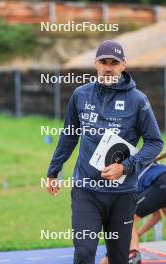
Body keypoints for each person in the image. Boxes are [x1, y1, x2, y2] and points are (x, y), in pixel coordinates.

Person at [46, 40, 163, 264]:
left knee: (119, 257)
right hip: (86, 190)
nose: (108, 67)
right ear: (95, 63)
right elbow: (69, 134)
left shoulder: (138, 100)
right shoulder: (80, 95)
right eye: (103, 62)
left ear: (123, 65)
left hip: (123, 194)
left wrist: (126, 167)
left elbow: (154, 142)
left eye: (114, 62)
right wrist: (54, 170)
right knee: (84, 253)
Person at [100, 162, 166, 264]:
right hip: (160, 183)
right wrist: (136, 235)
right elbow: (157, 216)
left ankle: (134, 257)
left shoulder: (125, 182)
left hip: (161, 183)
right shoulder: (143, 167)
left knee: (126, 219)